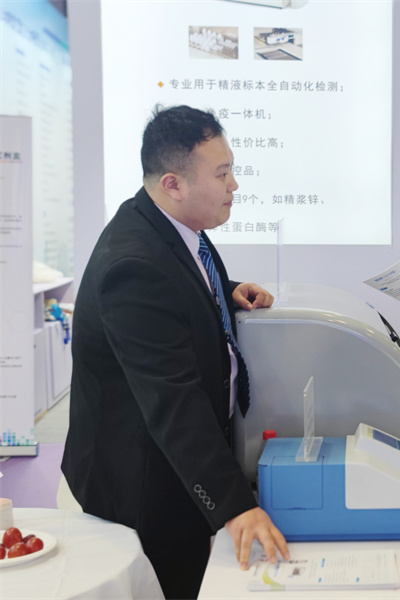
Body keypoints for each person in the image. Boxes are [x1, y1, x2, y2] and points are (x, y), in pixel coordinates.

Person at [61, 105, 290, 599]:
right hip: (145, 483)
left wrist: (223, 290)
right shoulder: (133, 266)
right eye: (222, 174)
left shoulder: (167, 226)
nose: (234, 185)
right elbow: (172, 400)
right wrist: (235, 505)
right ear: (173, 184)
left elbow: (179, 284)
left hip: (170, 466)